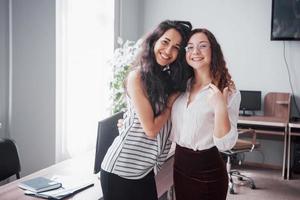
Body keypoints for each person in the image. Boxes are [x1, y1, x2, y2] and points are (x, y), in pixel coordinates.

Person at [100, 20, 192, 200]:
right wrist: (169, 103)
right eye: (165, 42)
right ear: (154, 41)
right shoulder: (137, 77)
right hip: (121, 170)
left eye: (176, 47)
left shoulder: (167, 80)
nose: (168, 51)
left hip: (145, 170)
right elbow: (150, 129)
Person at [170, 28, 241, 200]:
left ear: (213, 51)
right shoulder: (180, 87)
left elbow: (226, 144)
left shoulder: (227, 90)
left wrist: (219, 106)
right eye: (190, 47)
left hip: (207, 171)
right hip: (179, 165)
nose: (195, 51)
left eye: (202, 46)